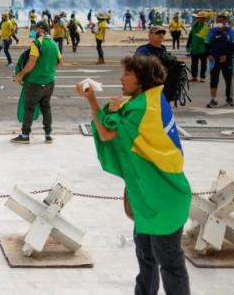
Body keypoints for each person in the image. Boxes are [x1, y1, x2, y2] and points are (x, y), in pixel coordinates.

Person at [76, 55, 191, 295]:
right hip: (148, 196)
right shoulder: (145, 99)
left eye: (127, 74)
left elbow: (107, 133)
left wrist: (92, 101)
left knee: (169, 263)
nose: (121, 78)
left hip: (163, 199)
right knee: (146, 258)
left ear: (141, 79)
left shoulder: (144, 109)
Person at [12, 21, 61, 144]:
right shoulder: (54, 44)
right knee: (46, 107)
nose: (33, 31)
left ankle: (24, 136)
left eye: (35, 29)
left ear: (41, 30)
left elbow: (31, 62)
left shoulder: (37, 43)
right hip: (49, 82)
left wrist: (20, 75)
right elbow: (60, 62)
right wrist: (47, 68)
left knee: (29, 107)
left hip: (35, 82)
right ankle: (48, 135)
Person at [205, 14, 234, 108]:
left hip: (227, 60)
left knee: (228, 80)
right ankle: (213, 99)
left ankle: (229, 98)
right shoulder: (211, 31)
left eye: (221, 21)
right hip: (214, 61)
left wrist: (227, 56)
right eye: (218, 20)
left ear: (225, 21)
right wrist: (209, 55)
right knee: (213, 80)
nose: (219, 22)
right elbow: (207, 44)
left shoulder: (231, 32)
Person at [185, 11, 209, 82]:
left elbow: (208, 39)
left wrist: (209, 50)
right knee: (194, 63)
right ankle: (194, 76)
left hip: (203, 48)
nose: (197, 19)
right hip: (194, 47)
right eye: (197, 17)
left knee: (203, 64)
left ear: (203, 18)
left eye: (198, 17)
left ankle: (202, 77)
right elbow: (191, 35)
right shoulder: (194, 25)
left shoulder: (206, 27)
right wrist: (188, 45)